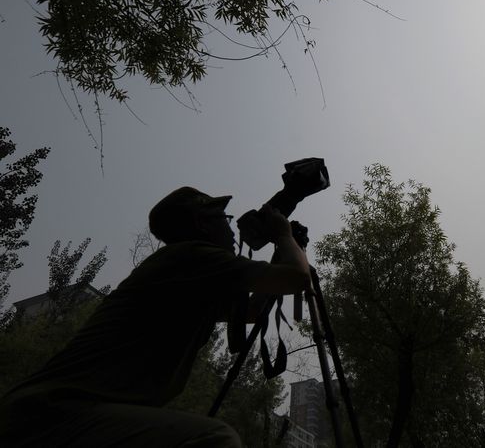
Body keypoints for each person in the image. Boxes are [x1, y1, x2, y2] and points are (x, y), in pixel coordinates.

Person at [0, 186, 310, 447]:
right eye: (224, 219)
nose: (231, 229)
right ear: (202, 224)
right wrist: (284, 236)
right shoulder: (191, 257)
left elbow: (252, 312)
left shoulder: (190, 278)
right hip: (50, 413)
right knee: (214, 439)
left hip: (59, 413)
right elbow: (297, 278)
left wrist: (284, 251)